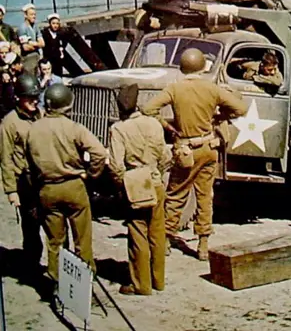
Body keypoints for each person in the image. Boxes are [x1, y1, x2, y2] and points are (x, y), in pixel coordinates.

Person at [142, 48, 247, 261]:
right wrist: (219, 116)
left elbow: (148, 109)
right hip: (209, 149)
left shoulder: (174, 88)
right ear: (201, 67)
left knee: (176, 194)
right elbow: (241, 109)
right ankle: (203, 245)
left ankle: (166, 239)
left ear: (183, 68)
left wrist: (169, 128)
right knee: (205, 196)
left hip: (185, 150)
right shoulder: (212, 89)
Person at [26, 83, 107, 284]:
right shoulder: (74, 128)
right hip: (74, 187)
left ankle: (57, 282)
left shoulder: (33, 129)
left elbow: (29, 165)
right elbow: (99, 152)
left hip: (47, 189)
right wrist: (91, 175)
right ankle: (84, 282)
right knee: (83, 240)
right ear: (68, 105)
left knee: (55, 242)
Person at [109, 84, 171, 296]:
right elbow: (165, 157)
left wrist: (121, 184)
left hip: (135, 185)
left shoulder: (118, 129)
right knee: (157, 233)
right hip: (155, 181)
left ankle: (141, 285)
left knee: (137, 234)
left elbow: (116, 165)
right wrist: (156, 175)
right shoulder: (154, 124)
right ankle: (158, 280)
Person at [0, 74, 44, 280]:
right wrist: (11, 191)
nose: (34, 101)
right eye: (29, 98)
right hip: (24, 182)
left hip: (43, 179)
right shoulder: (9, 123)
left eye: (36, 96)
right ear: (19, 98)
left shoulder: (41, 115)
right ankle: (31, 267)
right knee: (31, 228)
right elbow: (5, 159)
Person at [18, 4, 44, 76]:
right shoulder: (22, 28)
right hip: (28, 60)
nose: (34, 16)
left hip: (37, 58)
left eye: (35, 14)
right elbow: (25, 47)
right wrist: (37, 45)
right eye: (31, 14)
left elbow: (42, 43)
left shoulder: (36, 26)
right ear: (25, 15)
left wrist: (31, 42)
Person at [42, 13, 67, 77]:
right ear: (50, 24)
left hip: (58, 61)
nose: (55, 25)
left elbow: (64, 44)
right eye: (53, 23)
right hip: (48, 61)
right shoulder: (45, 34)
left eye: (57, 23)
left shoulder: (61, 34)